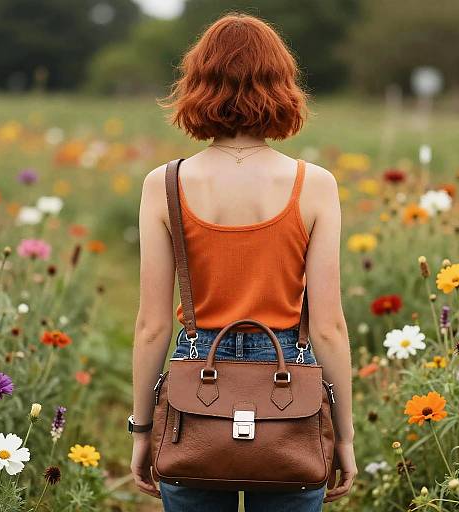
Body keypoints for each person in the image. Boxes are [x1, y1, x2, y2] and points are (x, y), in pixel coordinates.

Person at [130, 12, 356, 512]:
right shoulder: (314, 185)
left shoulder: (164, 185)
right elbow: (328, 327)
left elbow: (151, 327)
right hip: (289, 391)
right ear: (281, 85)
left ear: (197, 85)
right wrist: (344, 438)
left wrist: (142, 430)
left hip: (195, 392)